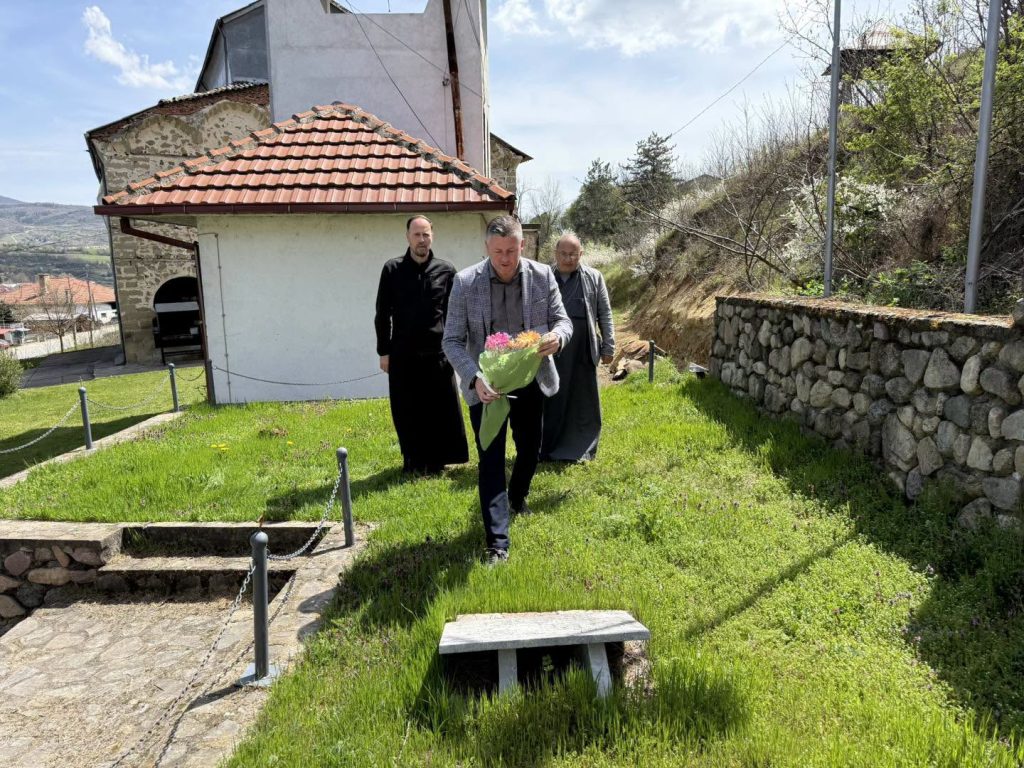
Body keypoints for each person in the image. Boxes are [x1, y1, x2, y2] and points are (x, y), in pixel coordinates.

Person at [442, 215, 572, 564]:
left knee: (529, 450)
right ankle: (497, 542)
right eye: (498, 251)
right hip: (487, 386)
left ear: (522, 245)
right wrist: (474, 377)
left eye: (511, 251)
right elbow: (451, 340)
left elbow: (563, 320)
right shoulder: (465, 282)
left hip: (531, 381)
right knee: (491, 460)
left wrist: (557, 337)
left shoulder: (543, 276)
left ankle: (516, 497)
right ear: (486, 247)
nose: (505, 259)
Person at [375, 215, 468, 475]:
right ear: (408, 237)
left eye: (426, 234)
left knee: (440, 409)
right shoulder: (392, 269)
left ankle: (438, 461)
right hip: (403, 354)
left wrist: (456, 349)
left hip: (438, 354)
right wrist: (384, 352)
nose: (422, 240)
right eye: (417, 234)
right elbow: (382, 314)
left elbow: (455, 315)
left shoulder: (446, 271)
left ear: (432, 236)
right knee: (407, 410)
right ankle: (413, 460)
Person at [541, 233, 615, 462]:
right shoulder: (544, 276)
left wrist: (609, 346)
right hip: (552, 349)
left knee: (583, 401)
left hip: (583, 348)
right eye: (563, 253)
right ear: (555, 254)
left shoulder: (594, 277)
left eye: (573, 254)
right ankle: (547, 448)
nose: (568, 258)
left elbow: (604, 313)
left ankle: (581, 450)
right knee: (551, 398)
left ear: (581, 254)